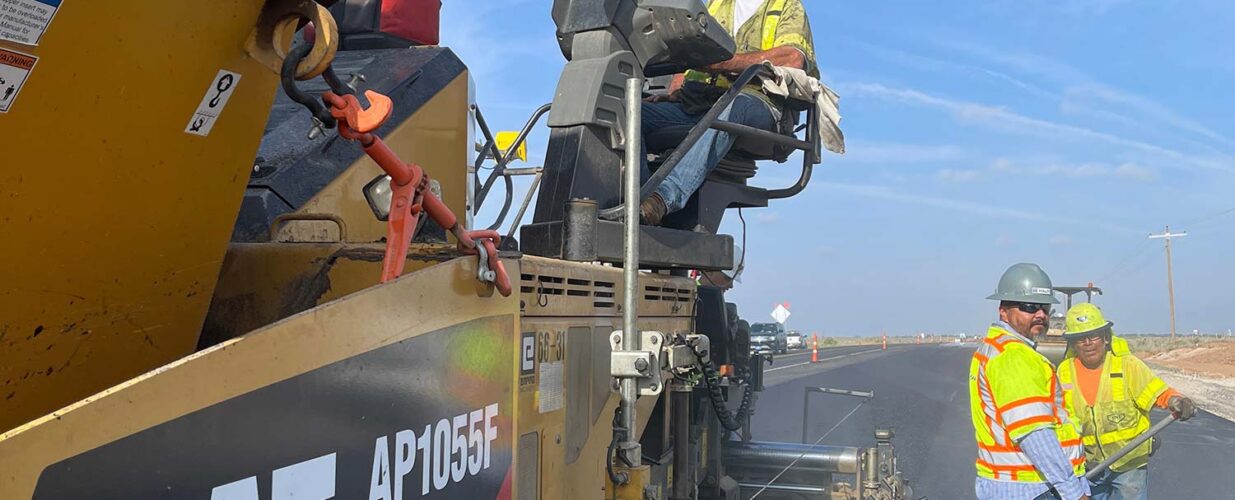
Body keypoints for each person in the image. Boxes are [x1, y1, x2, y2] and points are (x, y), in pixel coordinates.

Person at [638, 0, 817, 225]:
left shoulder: (786, 6)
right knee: (632, 112)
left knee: (733, 106)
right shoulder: (716, 5)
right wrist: (677, 88)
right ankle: (637, 198)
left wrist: (726, 63)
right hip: (700, 105)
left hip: (758, 104)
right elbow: (691, 49)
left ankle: (661, 199)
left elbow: (793, 57)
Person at [970, 263, 1090, 500]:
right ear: (1003, 310)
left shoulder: (996, 348)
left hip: (1013, 484)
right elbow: (1035, 433)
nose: (1041, 315)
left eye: (1045, 308)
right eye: (1029, 307)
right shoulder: (1015, 357)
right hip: (1032, 488)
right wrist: (1073, 492)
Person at [1056, 303, 1197, 500]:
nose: (1088, 343)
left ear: (1106, 337)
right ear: (1073, 343)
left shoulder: (1127, 365)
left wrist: (1176, 401)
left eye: (1094, 336)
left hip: (1129, 463)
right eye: (1080, 338)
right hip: (1088, 465)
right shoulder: (1064, 372)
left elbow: (1156, 392)